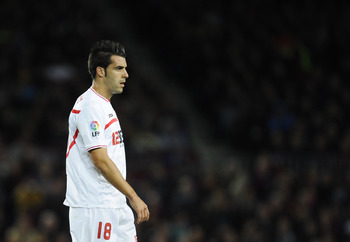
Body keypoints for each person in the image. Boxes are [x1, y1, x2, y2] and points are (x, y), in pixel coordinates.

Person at [64, 40, 150, 242]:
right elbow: (100, 160)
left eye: (125, 69)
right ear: (101, 71)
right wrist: (133, 196)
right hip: (94, 206)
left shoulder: (103, 105)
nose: (126, 74)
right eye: (119, 68)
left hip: (113, 203)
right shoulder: (90, 107)